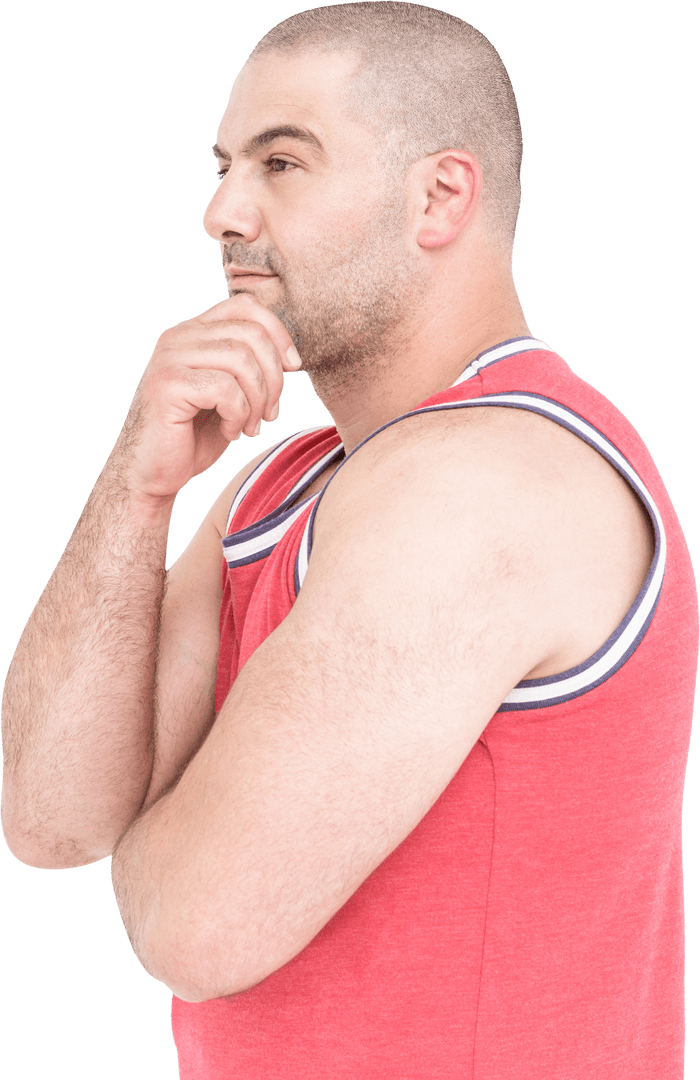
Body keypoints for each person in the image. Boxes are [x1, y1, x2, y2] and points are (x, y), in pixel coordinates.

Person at [1, 2, 696, 1077]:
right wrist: (135, 493)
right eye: (224, 163)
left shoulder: (484, 485)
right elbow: (49, 819)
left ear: (439, 196)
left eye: (283, 162)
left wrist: (152, 787)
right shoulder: (277, 484)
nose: (221, 211)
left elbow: (195, 926)